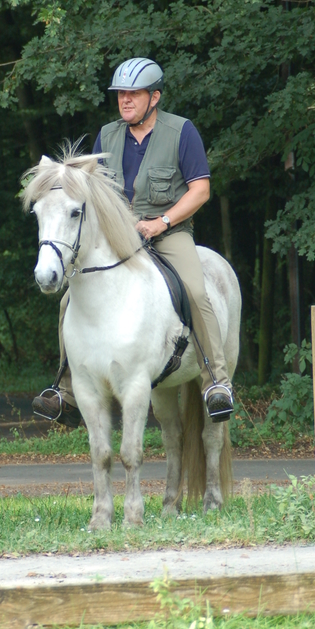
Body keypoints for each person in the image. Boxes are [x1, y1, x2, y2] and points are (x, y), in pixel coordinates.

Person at [31, 57, 234, 425]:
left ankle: (215, 382)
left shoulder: (182, 132)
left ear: (154, 97)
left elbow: (200, 190)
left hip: (169, 233)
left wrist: (161, 222)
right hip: (119, 238)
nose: (125, 100)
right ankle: (66, 391)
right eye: (121, 94)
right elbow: (85, 193)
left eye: (133, 94)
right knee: (68, 298)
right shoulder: (107, 136)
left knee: (194, 290)